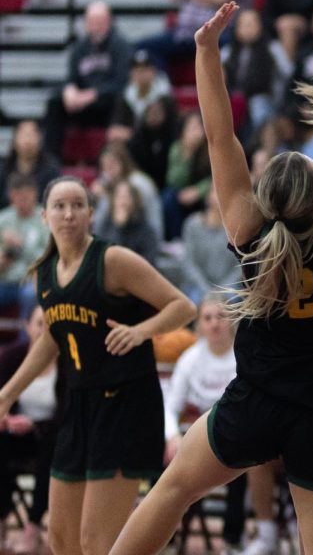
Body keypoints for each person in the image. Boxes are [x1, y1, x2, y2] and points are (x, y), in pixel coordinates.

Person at [107, 0, 313, 555]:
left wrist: (204, 51)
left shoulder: (250, 231)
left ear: (266, 199)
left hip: (257, 404)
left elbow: (219, 135)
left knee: (170, 493)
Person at [0, 174, 194, 555]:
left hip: (126, 403)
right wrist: (7, 393)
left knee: (97, 542)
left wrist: (141, 331)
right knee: (61, 537)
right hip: (81, 403)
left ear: (91, 213)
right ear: (44, 217)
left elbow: (182, 306)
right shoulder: (44, 273)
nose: (69, 214)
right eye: (59, 206)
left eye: (78, 205)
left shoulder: (112, 260)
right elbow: (52, 337)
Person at [160, 295, 243, 555]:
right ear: (200, 325)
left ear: (231, 321)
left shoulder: (243, 356)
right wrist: (172, 437)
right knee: (158, 456)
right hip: (194, 436)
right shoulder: (190, 358)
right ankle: (166, 536)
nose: (215, 324)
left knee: (245, 462)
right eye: (207, 318)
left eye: (220, 316)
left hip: (234, 434)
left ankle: (232, 539)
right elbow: (171, 408)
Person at [0, 307, 61, 554]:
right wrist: (7, 418)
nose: (44, 330)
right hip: (14, 434)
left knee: (53, 445)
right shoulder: (12, 357)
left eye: (50, 325)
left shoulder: (67, 362)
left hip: (50, 436)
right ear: (26, 326)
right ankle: (2, 516)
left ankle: (34, 523)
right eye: (39, 324)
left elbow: (69, 412)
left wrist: (35, 425)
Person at [43, 0, 133, 158]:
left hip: (107, 106)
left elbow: (122, 83)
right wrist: (69, 91)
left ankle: (112, 161)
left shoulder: (121, 45)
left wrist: (93, 95)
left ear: (109, 22)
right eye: (91, 22)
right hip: (83, 106)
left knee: (120, 101)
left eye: (100, 22)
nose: (96, 27)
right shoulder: (79, 48)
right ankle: (52, 161)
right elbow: (71, 78)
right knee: (54, 102)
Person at [220, 8, 278, 134]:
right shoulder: (227, 52)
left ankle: (259, 142)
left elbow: (287, 76)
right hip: (234, 97)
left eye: (251, 24)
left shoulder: (273, 50)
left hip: (263, 97)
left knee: (258, 105)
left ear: (260, 26)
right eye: (244, 24)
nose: (247, 28)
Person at [179, 192, 242, 304]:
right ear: (208, 197)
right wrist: (206, 290)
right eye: (215, 190)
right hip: (198, 286)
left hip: (228, 287)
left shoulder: (237, 227)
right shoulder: (192, 224)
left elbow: (240, 265)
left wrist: (222, 290)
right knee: (192, 301)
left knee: (236, 302)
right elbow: (188, 262)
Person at [92, 141, 163, 241]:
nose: (108, 172)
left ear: (123, 162)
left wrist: (106, 196)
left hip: (145, 239)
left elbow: (145, 220)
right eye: (105, 167)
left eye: (112, 165)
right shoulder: (109, 182)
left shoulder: (138, 183)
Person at [0, 176, 49, 317]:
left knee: (30, 295)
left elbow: (48, 256)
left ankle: (26, 338)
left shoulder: (45, 219)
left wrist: (21, 246)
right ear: (11, 195)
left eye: (26, 195)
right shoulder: (2, 219)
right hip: (5, 278)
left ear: (35, 194)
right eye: (18, 195)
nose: (22, 200)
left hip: (30, 280)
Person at [161, 112, 212, 241]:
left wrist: (198, 191)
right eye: (190, 128)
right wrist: (187, 155)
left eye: (198, 127)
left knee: (212, 200)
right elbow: (173, 180)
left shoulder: (211, 149)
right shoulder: (177, 149)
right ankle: (176, 240)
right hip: (182, 194)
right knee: (168, 197)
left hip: (203, 194)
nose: (194, 132)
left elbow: (215, 179)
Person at [108, 49, 173, 142]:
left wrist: (131, 134)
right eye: (136, 70)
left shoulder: (165, 98)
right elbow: (115, 129)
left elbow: (168, 130)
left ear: (153, 71)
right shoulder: (126, 97)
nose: (140, 74)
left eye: (144, 70)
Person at [93, 179, 160, 264]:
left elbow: (148, 263)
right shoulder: (105, 225)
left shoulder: (146, 231)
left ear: (135, 201)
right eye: (119, 197)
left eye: (127, 197)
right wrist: (119, 228)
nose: (123, 202)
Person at [0, 121, 61, 212]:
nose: (27, 140)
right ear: (14, 140)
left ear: (40, 139)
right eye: (24, 135)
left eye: (32, 135)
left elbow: (56, 201)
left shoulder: (51, 169)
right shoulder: (4, 169)